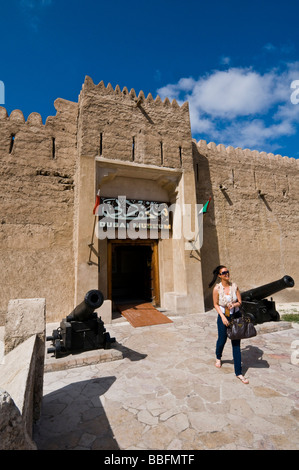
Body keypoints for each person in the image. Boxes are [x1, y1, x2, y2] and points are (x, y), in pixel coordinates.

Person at [209, 265, 249, 384]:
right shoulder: (217, 288)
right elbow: (215, 304)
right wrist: (222, 317)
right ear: (219, 276)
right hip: (223, 317)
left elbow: (240, 302)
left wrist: (234, 304)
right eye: (224, 272)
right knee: (222, 339)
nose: (227, 274)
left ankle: (239, 373)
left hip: (235, 317)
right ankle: (218, 356)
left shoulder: (234, 286)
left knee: (236, 344)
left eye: (227, 272)